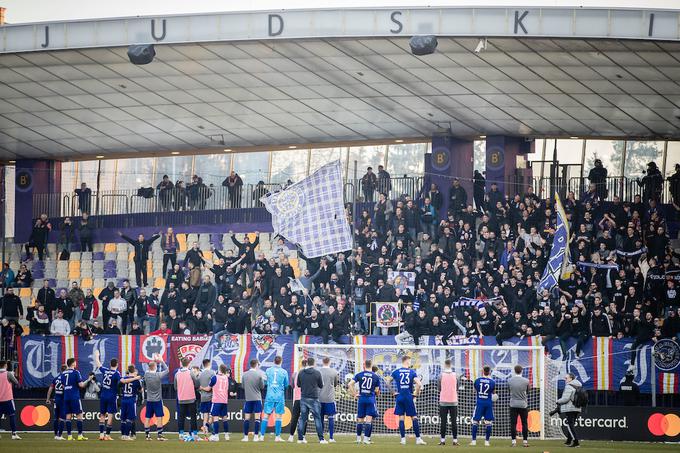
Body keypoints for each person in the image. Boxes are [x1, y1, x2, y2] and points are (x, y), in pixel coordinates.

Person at [390, 355, 425, 445]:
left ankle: (403, 440)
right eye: (410, 361)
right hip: (408, 397)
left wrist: (393, 392)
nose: (410, 363)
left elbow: (387, 381)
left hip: (400, 397)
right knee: (414, 417)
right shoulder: (412, 372)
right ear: (407, 361)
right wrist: (416, 393)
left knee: (401, 418)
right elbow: (419, 384)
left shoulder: (396, 371)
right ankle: (418, 439)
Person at [60, 357, 93, 441]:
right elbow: (81, 385)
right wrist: (88, 380)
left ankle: (69, 436)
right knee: (79, 415)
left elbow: (63, 386)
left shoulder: (63, 373)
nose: (76, 363)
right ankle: (79, 435)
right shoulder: (76, 372)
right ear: (73, 363)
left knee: (68, 416)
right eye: (75, 362)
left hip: (66, 396)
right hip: (74, 396)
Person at [259, 355, 289, 442]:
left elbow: (265, 382)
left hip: (270, 396)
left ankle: (262, 436)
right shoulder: (284, 372)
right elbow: (286, 384)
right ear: (281, 362)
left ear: (273, 361)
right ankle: (277, 437)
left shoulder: (268, 370)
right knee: (278, 416)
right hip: (279, 396)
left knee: (266, 416)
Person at [296, 357, 326, 444]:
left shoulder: (301, 373)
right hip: (314, 398)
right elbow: (321, 385)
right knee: (317, 418)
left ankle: (300, 438)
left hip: (304, 398)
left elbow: (298, 385)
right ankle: (321, 439)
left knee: (302, 419)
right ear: (314, 363)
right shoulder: (317, 373)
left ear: (307, 363)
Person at [350, 359, 381, 445]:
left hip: (361, 399)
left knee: (360, 420)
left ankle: (358, 439)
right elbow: (377, 391)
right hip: (370, 399)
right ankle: (366, 439)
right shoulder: (375, 376)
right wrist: (376, 392)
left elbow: (350, 384)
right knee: (368, 420)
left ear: (364, 365)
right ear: (371, 365)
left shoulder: (359, 374)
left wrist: (355, 394)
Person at [94, 349, 120, 441]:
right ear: (117, 364)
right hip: (111, 396)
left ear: (110, 364)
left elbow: (98, 364)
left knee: (102, 414)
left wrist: (97, 355)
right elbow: (120, 383)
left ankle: (101, 434)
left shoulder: (105, 371)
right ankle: (107, 435)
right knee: (110, 415)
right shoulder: (117, 374)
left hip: (103, 395)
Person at [143, 354, 168, 441]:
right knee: (159, 417)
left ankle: (147, 436)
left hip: (149, 400)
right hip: (157, 400)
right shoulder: (158, 375)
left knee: (147, 418)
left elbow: (149, 368)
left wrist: (153, 361)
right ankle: (159, 435)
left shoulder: (146, 375)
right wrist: (161, 361)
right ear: (155, 367)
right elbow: (168, 370)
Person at [204, 364, 232, 442]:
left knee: (215, 418)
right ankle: (226, 435)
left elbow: (208, 388)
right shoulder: (226, 378)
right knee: (224, 418)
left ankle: (216, 436)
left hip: (216, 400)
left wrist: (201, 387)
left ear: (219, 369)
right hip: (224, 400)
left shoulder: (215, 377)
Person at [174, 357, 199, 440]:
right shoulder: (191, 372)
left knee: (181, 417)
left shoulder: (177, 374)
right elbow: (197, 383)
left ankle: (181, 434)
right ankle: (194, 434)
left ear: (182, 363)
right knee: (193, 416)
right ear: (189, 364)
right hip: (191, 398)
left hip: (181, 398)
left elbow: (175, 387)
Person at [241, 359, 266, 442]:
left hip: (248, 399)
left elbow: (243, 386)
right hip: (257, 399)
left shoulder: (244, 375)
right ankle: (255, 436)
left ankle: (245, 437)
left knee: (247, 418)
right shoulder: (259, 375)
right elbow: (262, 387)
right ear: (256, 365)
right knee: (257, 418)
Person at [556, 372, 582, 448]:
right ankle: (568, 441)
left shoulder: (569, 386)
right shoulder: (579, 385)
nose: (565, 379)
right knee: (571, 424)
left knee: (570, 425)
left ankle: (576, 442)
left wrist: (558, 401)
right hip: (577, 408)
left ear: (571, 378)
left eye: (566, 378)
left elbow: (565, 399)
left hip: (570, 408)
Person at [471, 365, 495, 447]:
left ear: (483, 371)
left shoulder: (477, 380)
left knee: (475, 422)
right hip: (488, 403)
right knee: (488, 423)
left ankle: (474, 441)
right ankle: (487, 442)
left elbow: (474, 391)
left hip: (480, 403)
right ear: (489, 372)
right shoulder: (492, 382)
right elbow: (494, 393)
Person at [508, 364, 530, 447]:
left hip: (513, 404)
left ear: (514, 371)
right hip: (523, 404)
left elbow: (509, 390)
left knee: (513, 423)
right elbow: (528, 390)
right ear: (522, 371)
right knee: (524, 423)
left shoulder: (510, 380)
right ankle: (525, 442)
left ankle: (513, 442)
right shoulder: (526, 381)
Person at [119, 365, 143, 441]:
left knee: (123, 419)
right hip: (131, 400)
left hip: (124, 399)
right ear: (134, 371)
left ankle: (123, 435)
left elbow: (119, 385)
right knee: (130, 419)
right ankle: (126, 435)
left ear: (128, 371)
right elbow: (140, 390)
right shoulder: (136, 380)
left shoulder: (124, 378)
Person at [318, 357, 339, 442]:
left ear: (322, 362)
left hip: (320, 398)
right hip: (330, 398)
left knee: (321, 417)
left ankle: (321, 437)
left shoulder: (318, 371)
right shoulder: (334, 372)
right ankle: (331, 437)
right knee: (331, 417)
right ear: (329, 362)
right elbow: (335, 384)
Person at [438, 359, 458, 446]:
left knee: (443, 421)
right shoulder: (455, 375)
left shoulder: (440, 375)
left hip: (443, 401)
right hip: (453, 400)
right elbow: (457, 387)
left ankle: (442, 440)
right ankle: (455, 441)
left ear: (445, 365)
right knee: (454, 421)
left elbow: (439, 388)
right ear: (451, 365)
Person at [46, 364, 67, 440]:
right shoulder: (65, 378)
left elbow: (50, 389)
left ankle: (55, 435)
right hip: (63, 400)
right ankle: (60, 435)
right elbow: (65, 388)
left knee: (56, 417)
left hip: (56, 400)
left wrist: (48, 399)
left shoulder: (56, 378)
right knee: (62, 418)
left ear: (60, 370)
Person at [287, 358, 306, 442]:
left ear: (301, 364)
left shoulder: (295, 374)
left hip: (297, 399)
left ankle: (291, 436)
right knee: (304, 418)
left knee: (294, 417)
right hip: (305, 399)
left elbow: (292, 386)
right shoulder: (308, 374)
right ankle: (303, 436)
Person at [0, 360, 20, 440]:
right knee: (12, 415)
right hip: (7, 398)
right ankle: (14, 434)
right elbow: (16, 382)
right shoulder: (8, 374)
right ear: (5, 365)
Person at [198, 358, 216, 436]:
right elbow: (214, 385)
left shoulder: (200, 374)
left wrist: (201, 390)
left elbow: (198, 386)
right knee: (212, 416)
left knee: (205, 415)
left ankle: (205, 432)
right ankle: (213, 432)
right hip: (211, 397)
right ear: (209, 364)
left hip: (203, 397)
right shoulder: (212, 373)